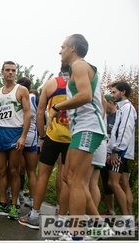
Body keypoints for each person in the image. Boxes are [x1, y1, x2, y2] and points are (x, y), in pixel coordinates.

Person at [48, 34, 106, 240]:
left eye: (62, 47)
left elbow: (86, 96)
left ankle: (76, 234)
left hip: (88, 128)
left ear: (72, 48)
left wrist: (56, 107)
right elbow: (98, 102)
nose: (60, 51)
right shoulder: (80, 68)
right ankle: (98, 225)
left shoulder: (80, 66)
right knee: (68, 178)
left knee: (75, 180)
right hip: (82, 128)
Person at [18, 64, 71, 229]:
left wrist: (42, 136)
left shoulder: (51, 83)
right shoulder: (81, 83)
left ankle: (34, 215)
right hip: (72, 136)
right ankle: (61, 216)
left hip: (53, 135)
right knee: (65, 177)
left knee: (43, 175)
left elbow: (40, 113)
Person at [0, 61, 31, 219]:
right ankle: (2, 203)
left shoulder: (22, 90)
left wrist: (23, 137)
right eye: (7, 70)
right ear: (3, 73)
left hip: (15, 132)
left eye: (13, 70)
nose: (11, 73)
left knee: (14, 171)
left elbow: (28, 114)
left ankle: (14, 204)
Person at [107, 81, 137, 223]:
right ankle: (129, 217)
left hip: (121, 152)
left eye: (114, 92)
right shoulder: (121, 109)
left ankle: (127, 220)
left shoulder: (128, 109)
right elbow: (115, 132)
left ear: (123, 92)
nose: (112, 95)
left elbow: (125, 130)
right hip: (122, 151)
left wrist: (116, 151)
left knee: (113, 183)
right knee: (124, 183)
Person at [16, 77, 38, 208]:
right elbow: (41, 115)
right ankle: (33, 200)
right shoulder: (35, 98)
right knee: (31, 171)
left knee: (15, 169)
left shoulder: (17, 96)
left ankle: (16, 196)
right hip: (31, 136)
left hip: (18, 134)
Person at [100, 94, 117, 216]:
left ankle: (126, 215)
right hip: (104, 154)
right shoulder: (106, 117)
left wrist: (113, 152)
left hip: (115, 155)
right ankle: (111, 210)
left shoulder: (118, 116)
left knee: (116, 183)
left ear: (110, 103)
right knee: (106, 183)